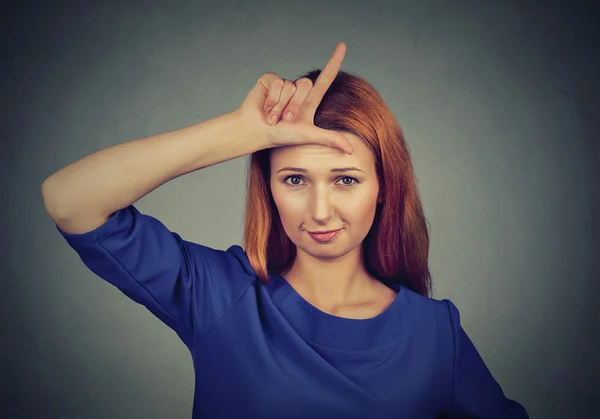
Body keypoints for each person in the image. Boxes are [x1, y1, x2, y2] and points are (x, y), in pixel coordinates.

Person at [41, 42, 529, 418]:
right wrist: (239, 132)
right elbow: (69, 200)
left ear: (383, 188)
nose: (320, 211)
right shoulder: (221, 295)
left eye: (345, 180)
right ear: (268, 188)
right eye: (295, 179)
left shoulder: (433, 333)